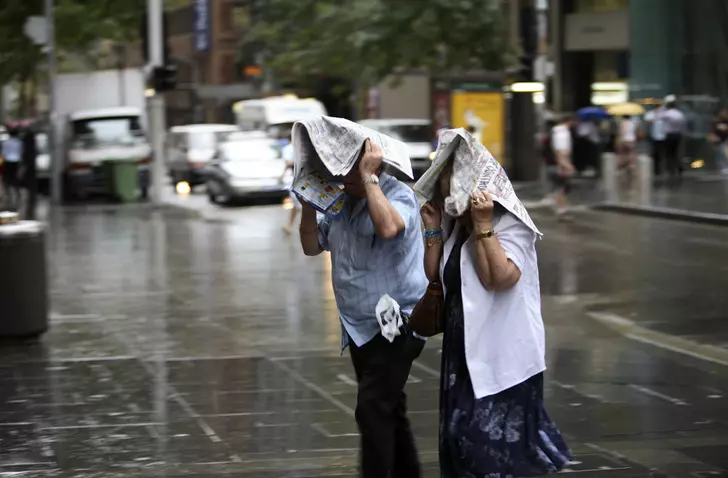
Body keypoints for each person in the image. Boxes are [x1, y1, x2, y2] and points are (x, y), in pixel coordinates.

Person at [419, 158, 571, 477]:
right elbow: (435, 277)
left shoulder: (509, 221)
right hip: (462, 351)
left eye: (451, 186)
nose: (447, 195)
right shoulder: (455, 225)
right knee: (457, 439)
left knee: (487, 449)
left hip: (503, 354)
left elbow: (499, 279)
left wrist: (483, 226)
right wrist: (433, 229)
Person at [299, 139, 428, 478]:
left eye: (350, 174)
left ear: (371, 168)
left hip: (399, 323)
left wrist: (370, 180)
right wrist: (308, 205)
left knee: (372, 409)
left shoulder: (398, 194)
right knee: (389, 408)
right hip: (359, 326)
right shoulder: (343, 202)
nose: (342, 181)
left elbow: (388, 228)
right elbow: (312, 246)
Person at [549, 115, 576, 220]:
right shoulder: (562, 132)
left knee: (561, 187)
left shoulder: (556, 131)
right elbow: (560, 151)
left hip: (559, 163)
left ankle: (558, 206)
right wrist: (565, 165)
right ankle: (561, 210)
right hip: (561, 163)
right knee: (562, 187)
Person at [281, 135, 301, 234]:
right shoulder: (303, 146)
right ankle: (290, 225)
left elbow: (288, 163)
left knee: (297, 203)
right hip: (307, 177)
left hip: (296, 179)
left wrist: (283, 173)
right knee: (296, 204)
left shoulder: (288, 149)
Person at [662, 96, 686, 178]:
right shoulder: (680, 114)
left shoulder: (667, 114)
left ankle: (670, 169)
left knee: (669, 153)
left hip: (669, 135)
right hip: (678, 135)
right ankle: (679, 167)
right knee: (676, 152)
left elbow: (660, 117)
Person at [1, 127, 23, 210]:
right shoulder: (19, 142)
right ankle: (17, 195)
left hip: (6, 163)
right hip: (15, 163)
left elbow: (2, 153)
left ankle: (7, 196)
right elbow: (21, 153)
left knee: (6, 180)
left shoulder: (5, 142)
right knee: (15, 180)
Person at [21, 122, 38, 220]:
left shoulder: (26, 140)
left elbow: (25, 155)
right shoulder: (32, 140)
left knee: (27, 182)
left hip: (28, 165)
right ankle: (32, 198)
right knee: (31, 183)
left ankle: (30, 199)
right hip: (32, 165)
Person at [645, 103, 667, 176]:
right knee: (656, 153)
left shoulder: (665, 114)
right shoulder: (651, 114)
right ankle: (656, 169)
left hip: (663, 137)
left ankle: (660, 168)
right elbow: (648, 121)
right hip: (655, 137)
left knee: (661, 153)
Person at [709, 108, 728, 175]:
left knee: (723, 154)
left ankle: (723, 167)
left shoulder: (725, 122)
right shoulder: (716, 122)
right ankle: (721, 167)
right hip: (719, 141)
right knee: (720, 154)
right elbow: (712, 130)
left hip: (725, 140)